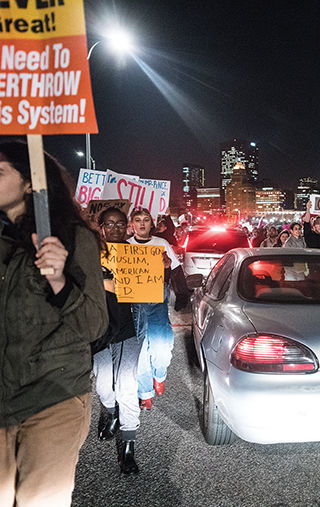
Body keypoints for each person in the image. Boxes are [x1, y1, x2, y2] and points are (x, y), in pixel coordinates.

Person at [0, 141, 108, 505]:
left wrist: (60, 281)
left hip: (53, 397)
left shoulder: (74, 239)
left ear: (30, 183)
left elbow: (94, 325)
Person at [93, 207, 143, 474]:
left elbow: (144, 287)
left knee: (127, 387)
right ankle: (109, 411)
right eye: (109, 224)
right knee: (103, 385)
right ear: (101, 227)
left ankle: (128, 448)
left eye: (120, 224)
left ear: (128, 227)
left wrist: (163, 270)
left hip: (126, 329)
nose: (114, 228)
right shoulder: (91, 252)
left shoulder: (136, 255)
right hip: (99, 329)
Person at [128, 208, 189, 410]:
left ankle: (159, 373)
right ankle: (145, 392)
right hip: (134, 304)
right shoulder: (125, 246)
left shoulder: (161, 244)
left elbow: (175, 272)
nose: (142, 223)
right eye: (138, 220)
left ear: (151, 223)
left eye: (146, 220)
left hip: (157, 302)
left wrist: (167, 269)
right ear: (132, 224)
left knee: (161, 346)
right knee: (140, 349)